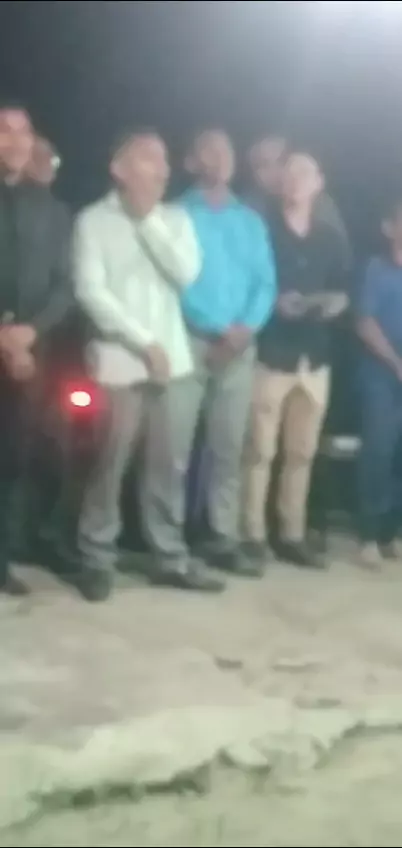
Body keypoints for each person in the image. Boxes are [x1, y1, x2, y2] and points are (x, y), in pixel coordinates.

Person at [74, 128, 204, 602]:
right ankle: (96, 557)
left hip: (174, 364)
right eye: (150, 158)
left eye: (165, 159)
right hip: (119, 362)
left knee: (168, 466)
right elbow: (90, 291)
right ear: (119, 169)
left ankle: (169, 556)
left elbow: (185, 274)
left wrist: (148, 220)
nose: (162, 168)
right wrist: (143, 342)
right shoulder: (93, 220)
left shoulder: (176, 219)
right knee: (109, 463)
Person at [141, 129, 276, 583]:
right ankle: (166, 547)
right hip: (188, 340)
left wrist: (244, 329)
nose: (220, 157)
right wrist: (219, 329)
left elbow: (265, 282)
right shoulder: (174, 214)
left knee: (228, 448)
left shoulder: (250, 220)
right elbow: (175, 283)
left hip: (240, 346)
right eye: (209, 151)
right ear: (191, 163)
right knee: (171, 450)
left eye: (227, 150)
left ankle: (222, 537)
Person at [242, 152, 348, 569]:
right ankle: (252, 534)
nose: (295, 180)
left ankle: (292, 533)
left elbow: (343, 289)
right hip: (273, 352)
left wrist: (333, 303)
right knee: (259, 450)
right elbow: (250, 283)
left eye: (304, 173)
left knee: (301, 452)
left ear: (319, 182)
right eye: (288, 173)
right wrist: (275, 302)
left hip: (314, 356)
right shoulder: (262, 229)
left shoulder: (329, 237)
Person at [0, 100, 72, 595]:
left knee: (12, 458)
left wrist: (29, 334)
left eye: (23, 131)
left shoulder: (51, 210)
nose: (16, 140)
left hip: (29, 355)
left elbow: (65, 286)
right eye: (5, 130)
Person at [356, 195, 402, 568]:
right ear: (389, 228)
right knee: (378, 452)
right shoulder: (376, 268)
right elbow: (364, 322)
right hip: (381, 374)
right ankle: (368, 536)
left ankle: (392, 533)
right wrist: (397, 364)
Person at [247, 134, 351, 272]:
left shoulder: (322, 206)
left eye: (281, 161)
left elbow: (340, 264)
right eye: (264, 165)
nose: (275, 172)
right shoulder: (247, 214)